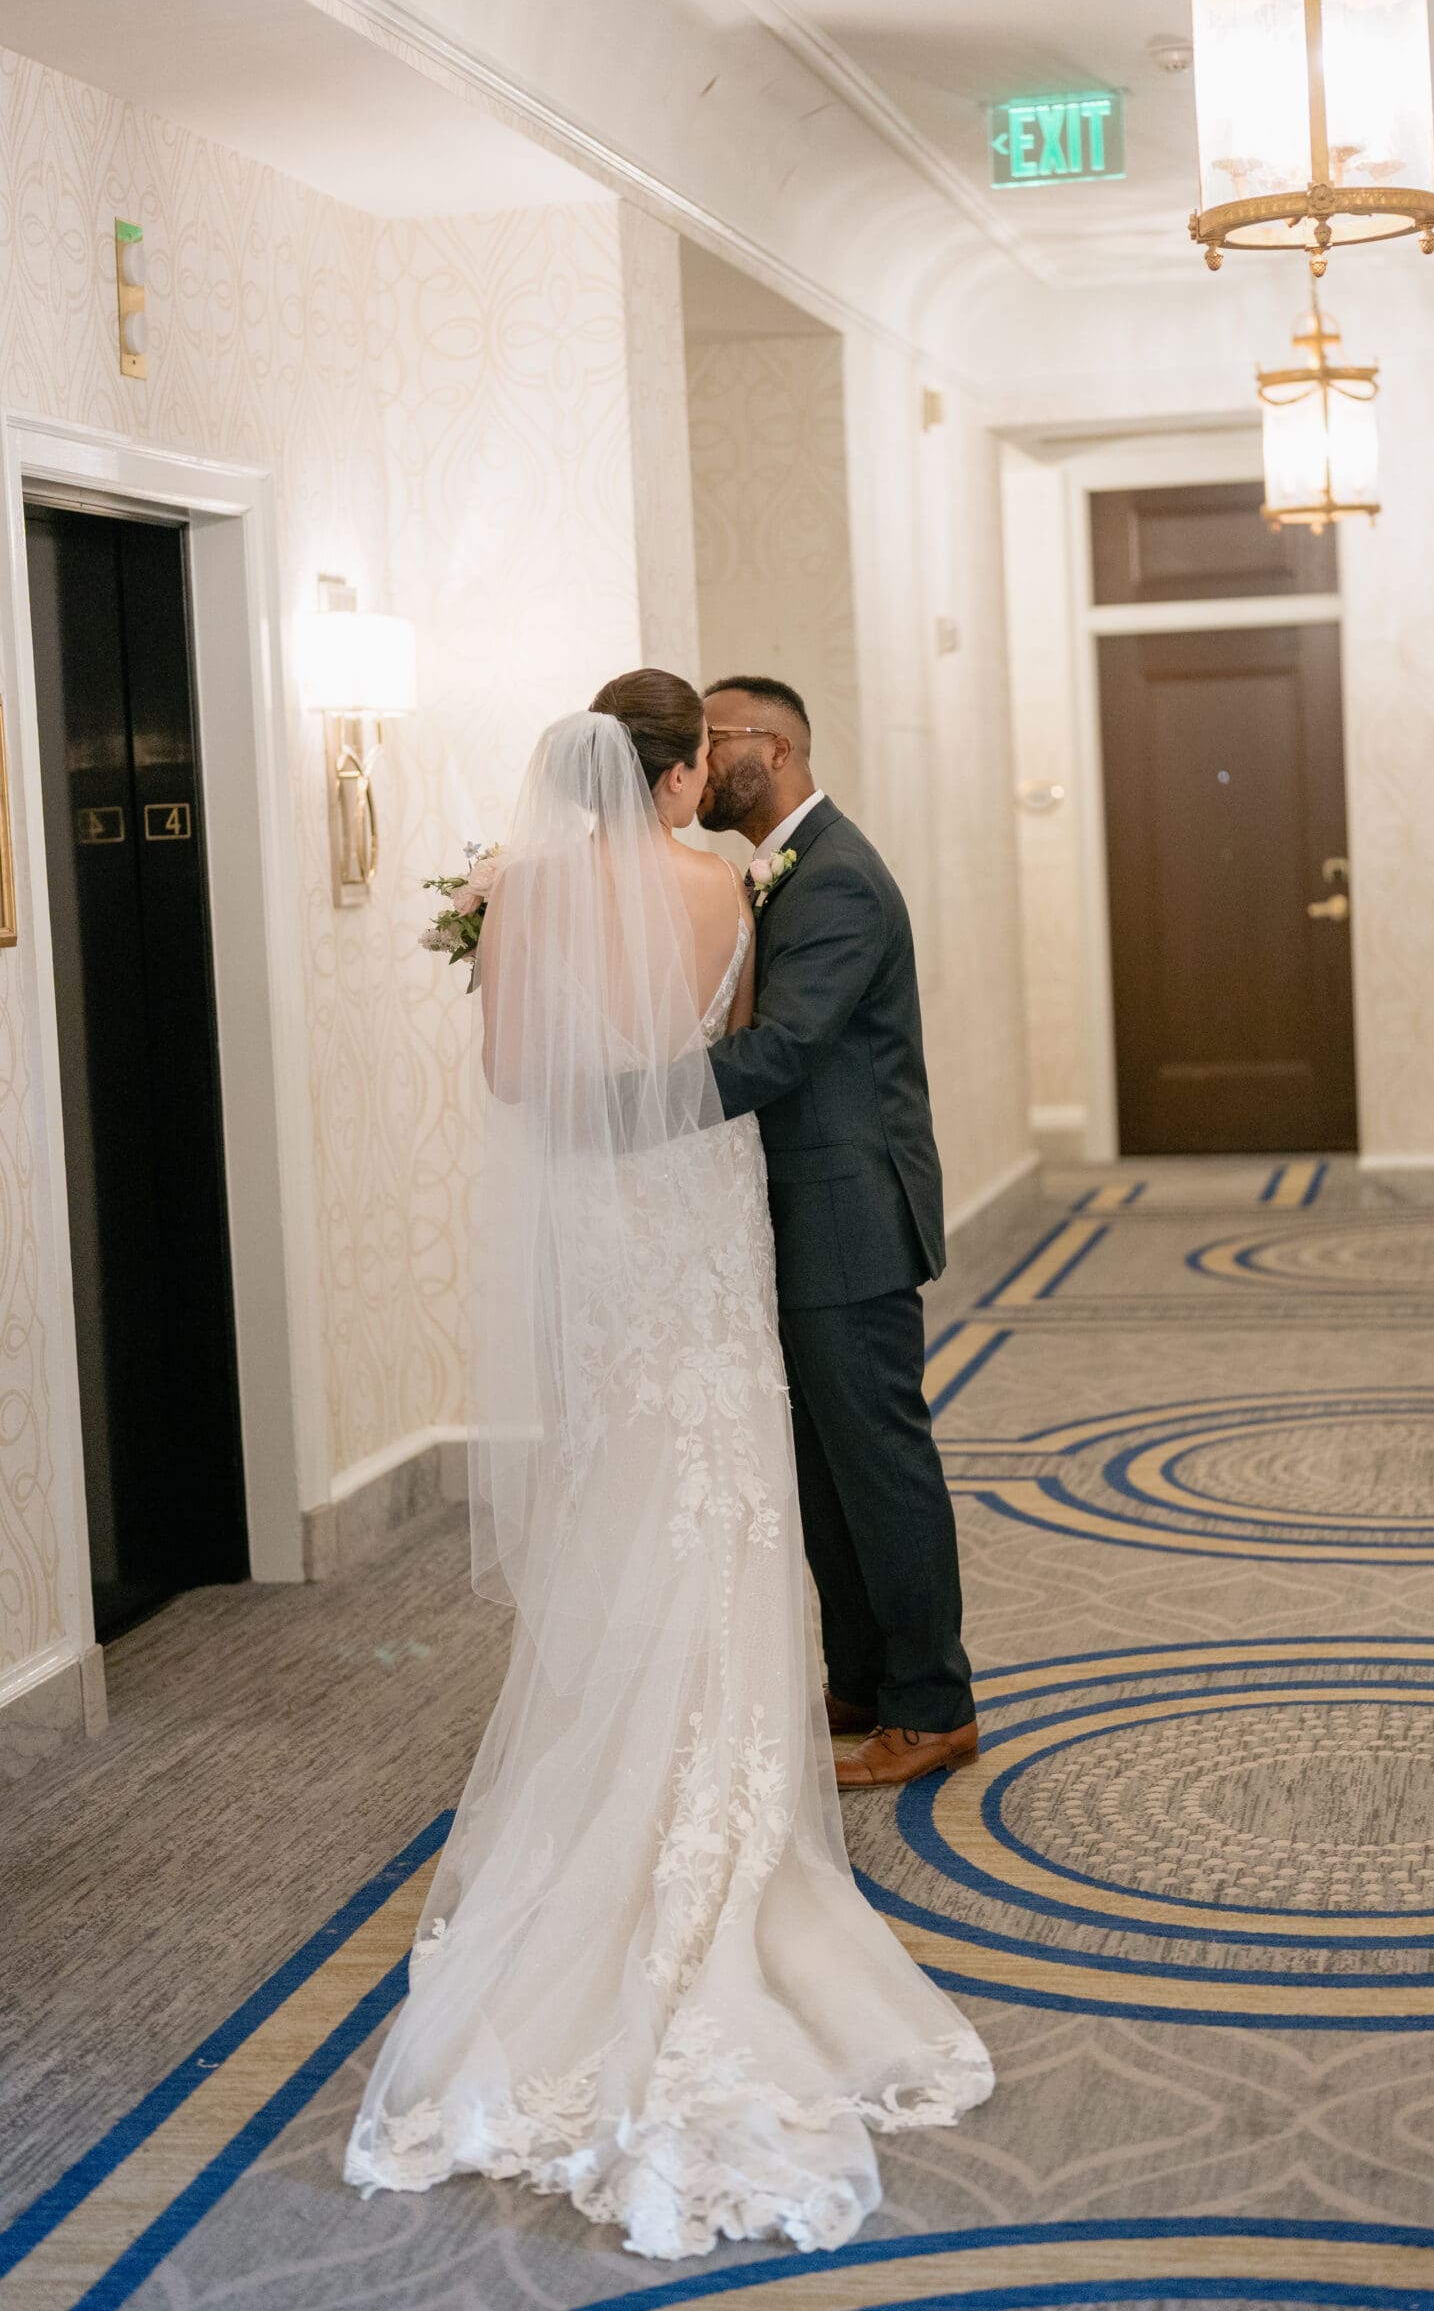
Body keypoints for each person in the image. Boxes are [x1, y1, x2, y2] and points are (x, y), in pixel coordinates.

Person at [344, 671, 990, 2260]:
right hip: (703, 1207)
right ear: (689, 769)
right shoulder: (723, 888)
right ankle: (797, 1713)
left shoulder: (532, 892)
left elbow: (516, 1083)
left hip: (629, 1211)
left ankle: (876, 1696)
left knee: (654, 1463)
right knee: (737, 1468)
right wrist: (642, 1104)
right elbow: (736, 1041)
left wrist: (582, 1081)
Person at [698, 676, 978, 1788]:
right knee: (825, 1470)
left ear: (773, 747)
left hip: (849, 1215)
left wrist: (626, 1099)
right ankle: (860, 1678)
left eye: (713, 741)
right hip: (803, 1214)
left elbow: (785, 1049)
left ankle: (933, 1704)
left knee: (881, 1466)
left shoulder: (840, 879)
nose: (701, 762)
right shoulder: (786, 872)